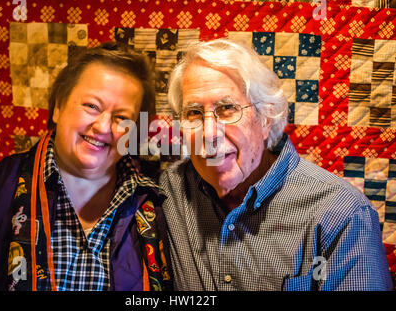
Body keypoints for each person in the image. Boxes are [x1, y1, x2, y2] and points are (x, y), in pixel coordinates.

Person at [160, 38, 393, 291]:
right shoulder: (167, 192)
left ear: (265, 119)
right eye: (193, 113)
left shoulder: (341, 214)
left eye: (227, 108)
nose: (208, 133)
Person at [0, 43, 171, 291]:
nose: (104, 127)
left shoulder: (156, 201)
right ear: (58, 107)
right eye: (92, 106)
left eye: (122, 118)